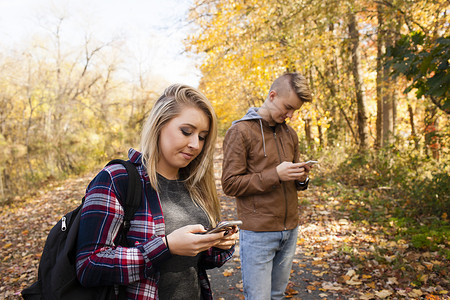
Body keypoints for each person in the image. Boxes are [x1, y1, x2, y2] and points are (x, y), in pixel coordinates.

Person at [76, 84, 239, 299]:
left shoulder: (194, 185)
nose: (195, 145)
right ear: (159, 125)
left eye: (202, 136)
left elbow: (199, 262)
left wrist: (216, 244)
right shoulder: (117, 178)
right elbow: (89, 266)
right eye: (186, 131)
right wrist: (167, 247)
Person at [221, 73, 313, 300]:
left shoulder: (290, 134)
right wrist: (276, 175)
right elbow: (230, 184)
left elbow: (294, 183)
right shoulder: (240, 132)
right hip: (258, 233)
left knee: (277, 296)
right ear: (272, 95)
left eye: (295, 111)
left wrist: (301, 177)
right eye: (288, 107)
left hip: (289, 230)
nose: (290, 115)